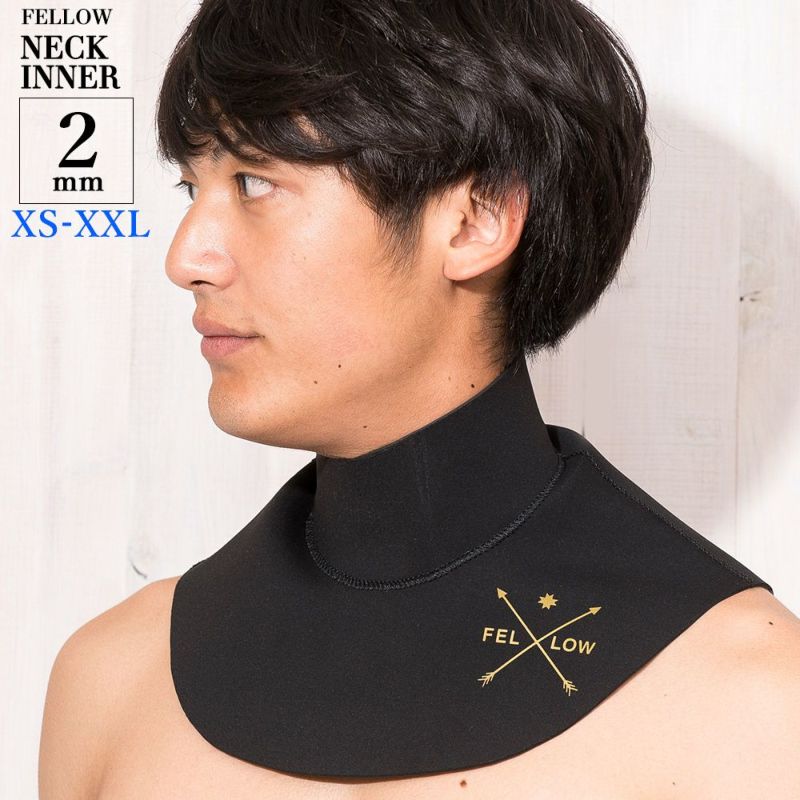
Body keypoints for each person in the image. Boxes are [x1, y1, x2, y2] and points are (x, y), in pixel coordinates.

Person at [39, 0, 800, 797]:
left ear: (475, 221)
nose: (185, 257)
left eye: (254, 181)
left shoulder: (753, 704)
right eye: (190, 187)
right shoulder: (116, 681)